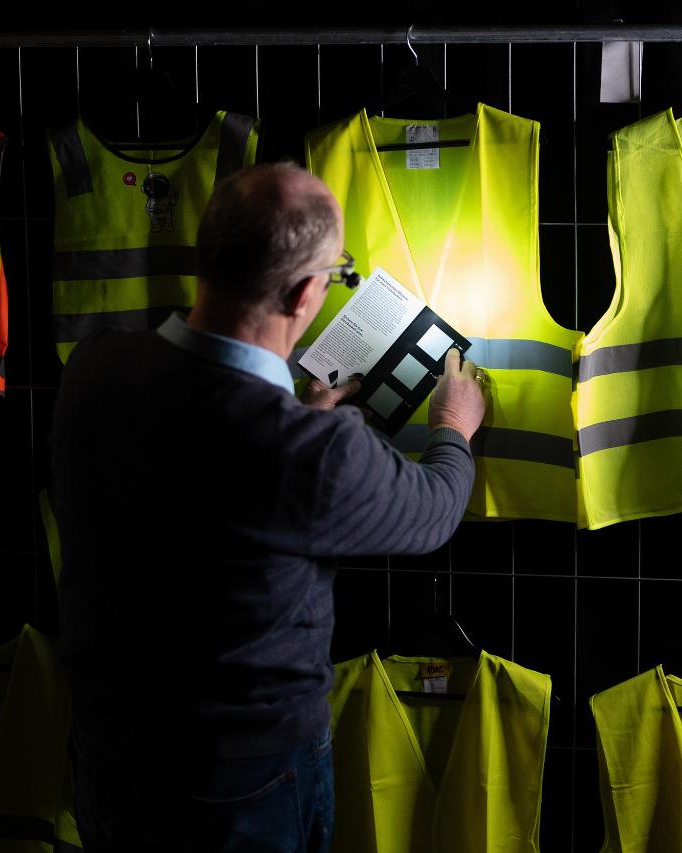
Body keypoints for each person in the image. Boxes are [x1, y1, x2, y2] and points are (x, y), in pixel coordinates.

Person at [50, 162, 486, 852]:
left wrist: (299, 415)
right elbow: (433, 511)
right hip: (241, 780)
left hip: (108, 751)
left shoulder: (94, 367)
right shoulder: (309, 452)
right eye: (338, 273)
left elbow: (200, 457)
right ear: (307, 292)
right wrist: (454, 426)